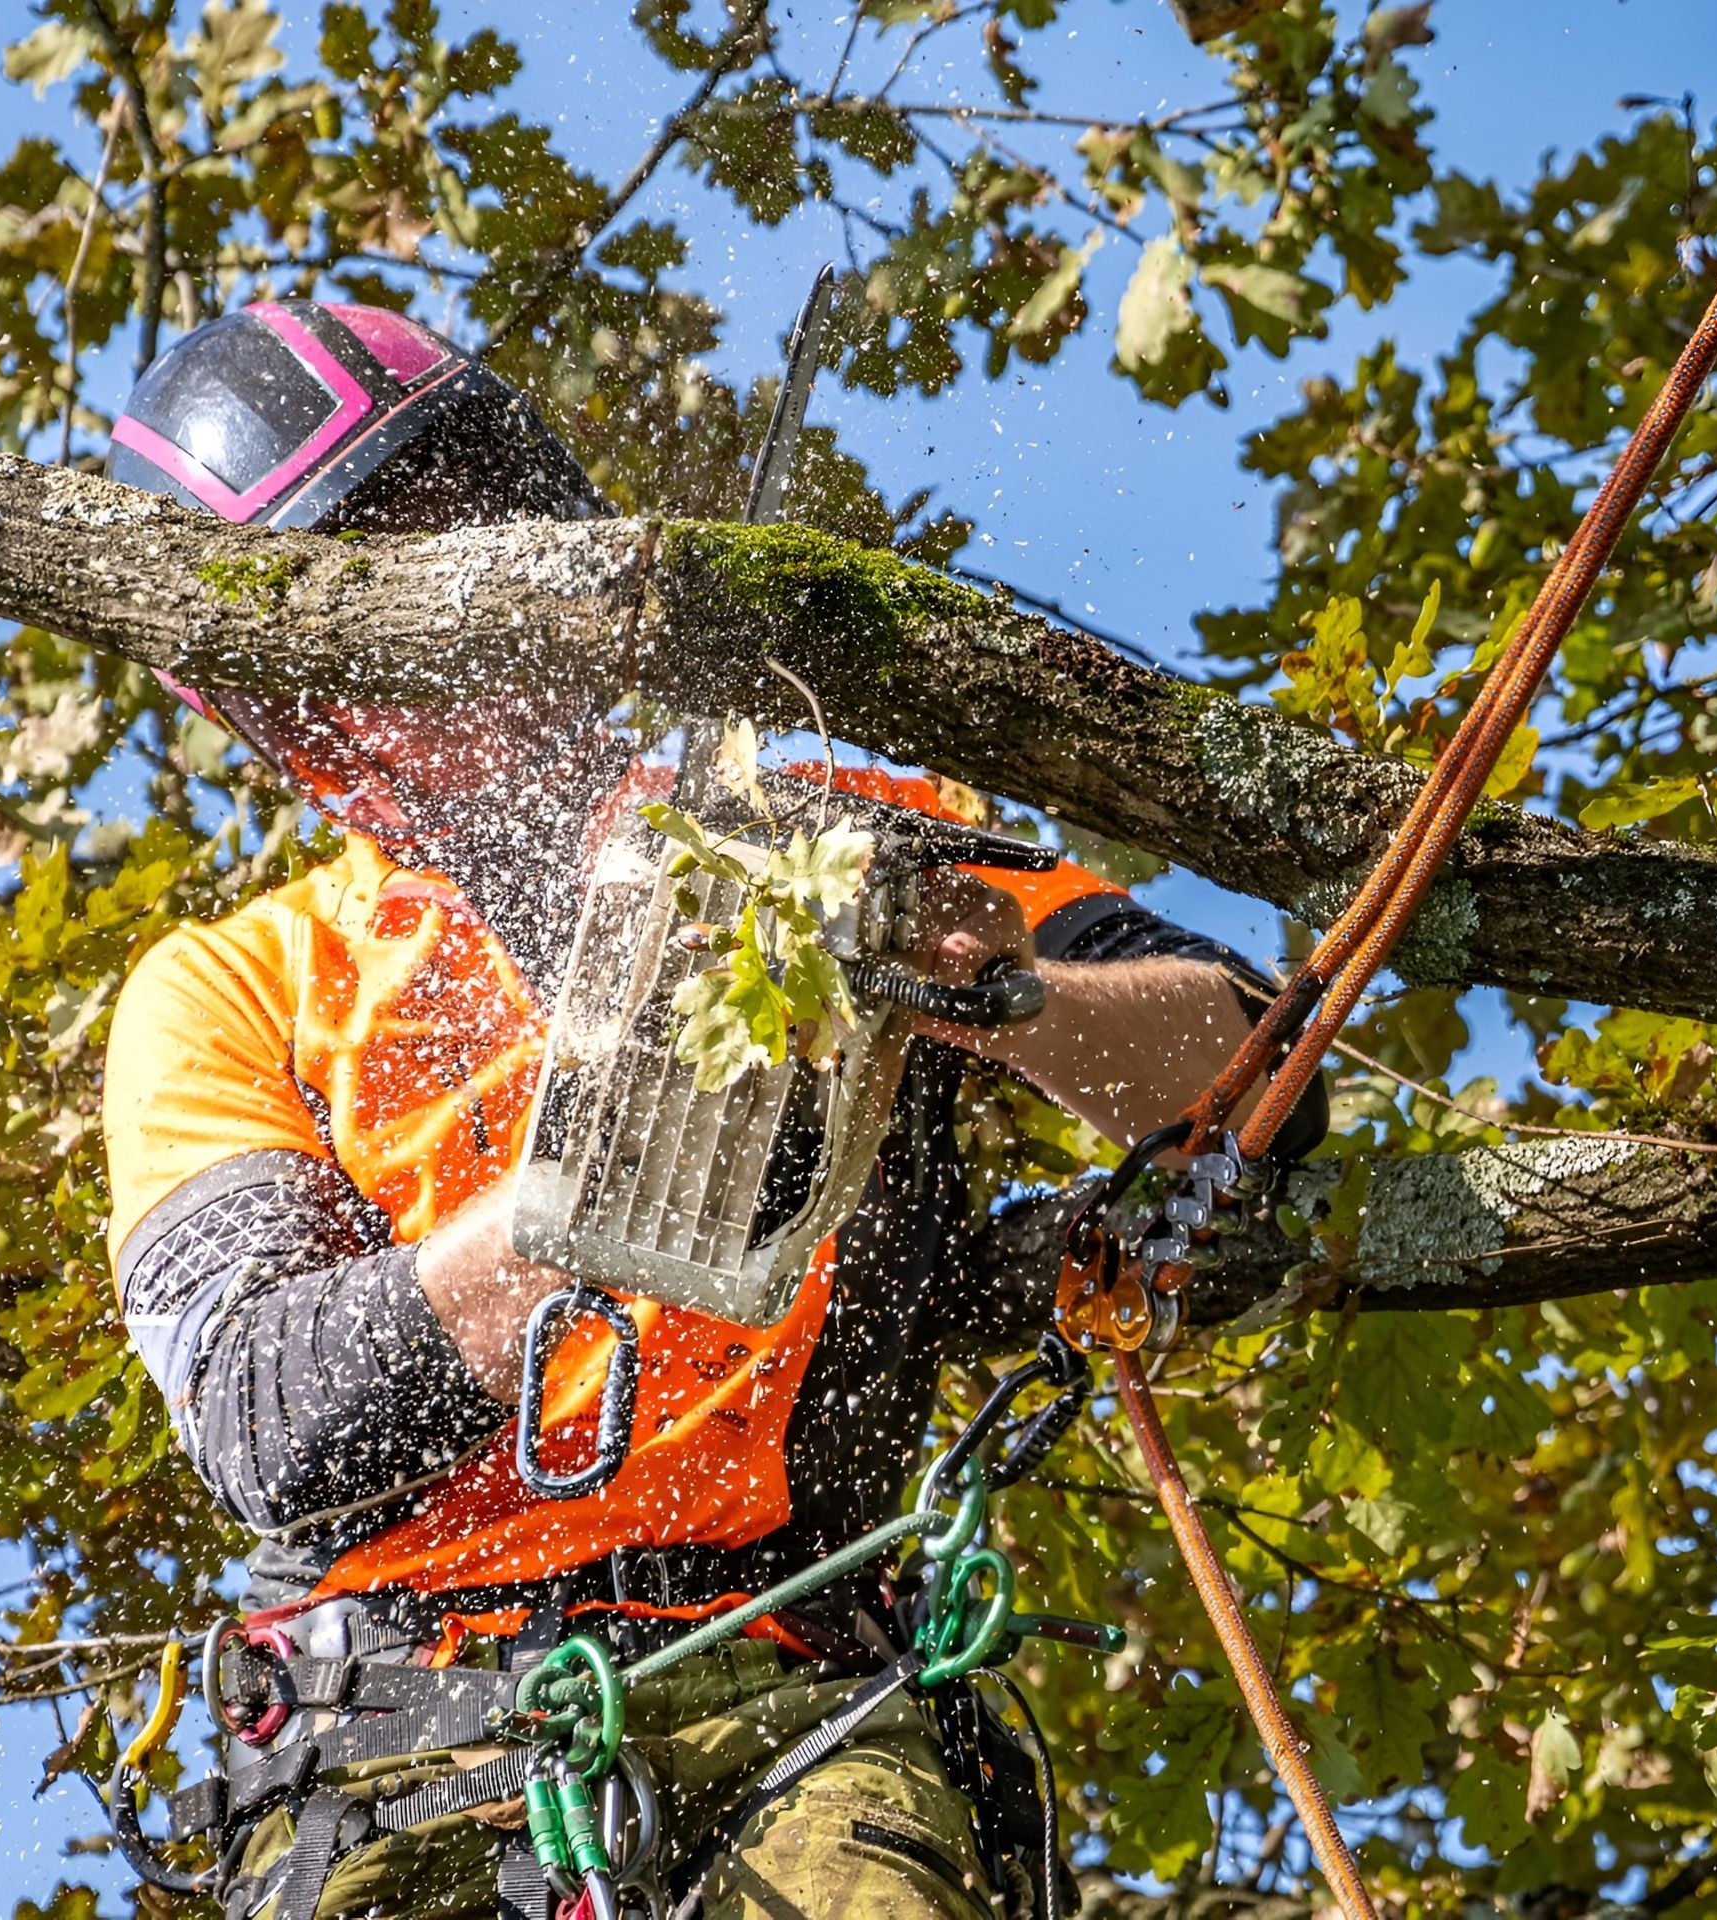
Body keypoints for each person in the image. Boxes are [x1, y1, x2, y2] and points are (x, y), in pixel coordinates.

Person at [99, 299, 1327, 1920]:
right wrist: (572, 1210)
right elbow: (270, 1417)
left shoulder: (829, 831)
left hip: (807, 1680)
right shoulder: (239, 985)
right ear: (283, 697)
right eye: (362, 597)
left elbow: (1256, 1080)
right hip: (394, 1728)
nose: (435, 633)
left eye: (451, 544)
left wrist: (979, 977)